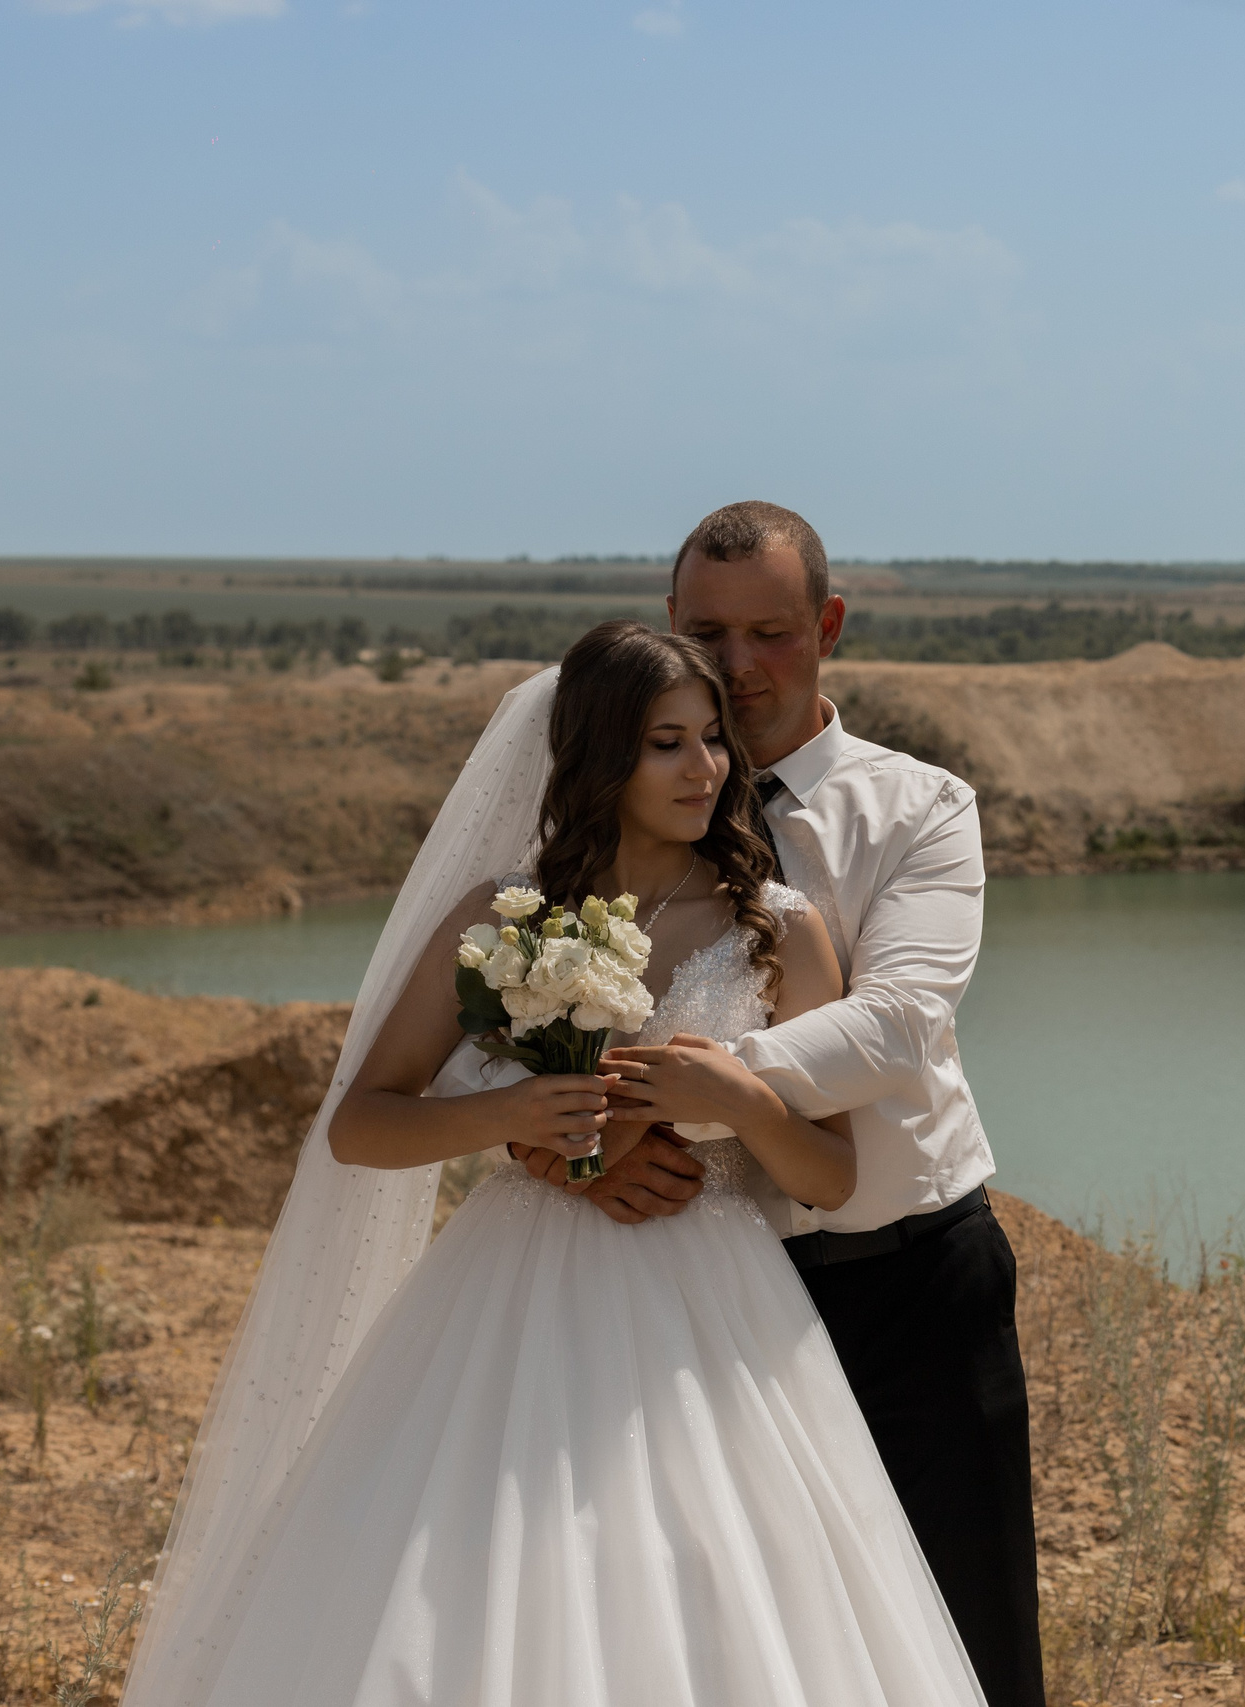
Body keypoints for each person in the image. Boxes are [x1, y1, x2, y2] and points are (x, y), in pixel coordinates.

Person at [120, 623, 987, 1706]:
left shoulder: (779, 925)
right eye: (665, 743)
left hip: (719, 1308)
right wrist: (515, 1121)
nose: (704, 768)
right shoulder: (506, 920)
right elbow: (363, 1124)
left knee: (709, 1581)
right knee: (484, 1574)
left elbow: (827, 1177)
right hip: (513, 1291)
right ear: (595, 759)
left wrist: (742, 1099)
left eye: (712, 739)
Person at [514, 501, 1044, 1707]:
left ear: (829, 626)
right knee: (726, 1655)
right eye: (710, 633)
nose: (741, 666)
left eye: (772, 632)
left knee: (965, 1649)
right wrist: (558, 1148)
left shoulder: (919, 808)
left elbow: (900, 1023)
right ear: (669, 628)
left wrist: (669, 1105)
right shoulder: (597, 820)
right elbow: (500, 1037)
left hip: (906, 1287)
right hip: (689, 1314)